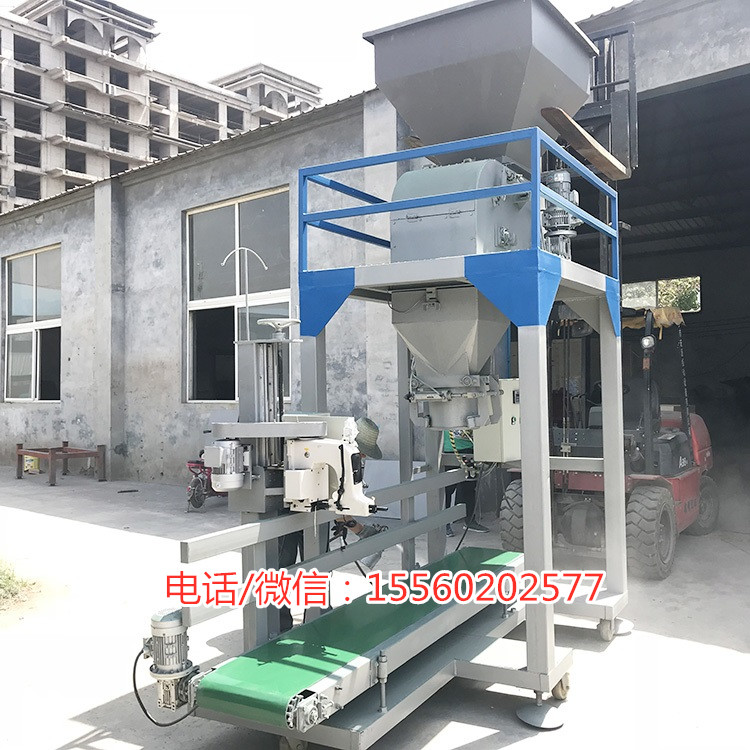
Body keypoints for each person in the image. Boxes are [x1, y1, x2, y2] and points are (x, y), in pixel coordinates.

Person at [278, 416, 383, 631]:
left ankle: (317, 619)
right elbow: (337, 497)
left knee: (318, 567)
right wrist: (359, 529)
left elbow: (338, 496)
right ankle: (279, 626)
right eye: (363, 451)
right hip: (287, 509)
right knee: (282, 567)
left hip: (316, 512)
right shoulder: (333, 451)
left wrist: (357, 528)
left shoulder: (343, 456)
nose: (363, 456)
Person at [443, 429, 489, 536]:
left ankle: (470, 521)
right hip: (451, 450)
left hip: (470, 448)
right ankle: (444, 524)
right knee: (447, 489)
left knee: (469, 487)